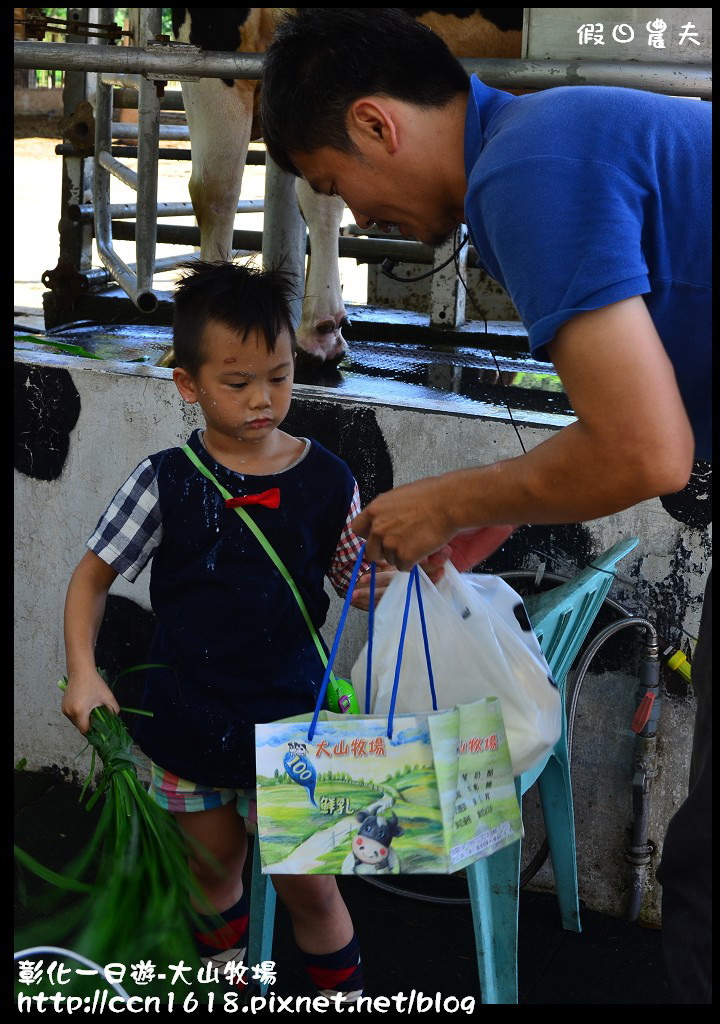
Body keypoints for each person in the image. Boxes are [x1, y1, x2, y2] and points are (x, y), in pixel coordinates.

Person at [258, 9, 712, 1004]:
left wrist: (444, 499)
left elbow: (644, 447)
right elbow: (634, 420)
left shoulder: (524, 173)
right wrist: (475, 518)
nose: (359, 216)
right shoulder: (551, 140)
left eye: (336, 187)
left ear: (378, 124)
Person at [61, 259, 396, 1002]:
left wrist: (386, 573)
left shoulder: (329, 478)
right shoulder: (165, 480)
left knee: (315, 895)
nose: (262, 400)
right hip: (189, 727)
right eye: (237, 383)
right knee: (214, 881)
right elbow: (91, 579)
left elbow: (354, 583)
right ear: (188, 384)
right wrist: (84, 671)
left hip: (296, 734)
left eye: (277, 377)